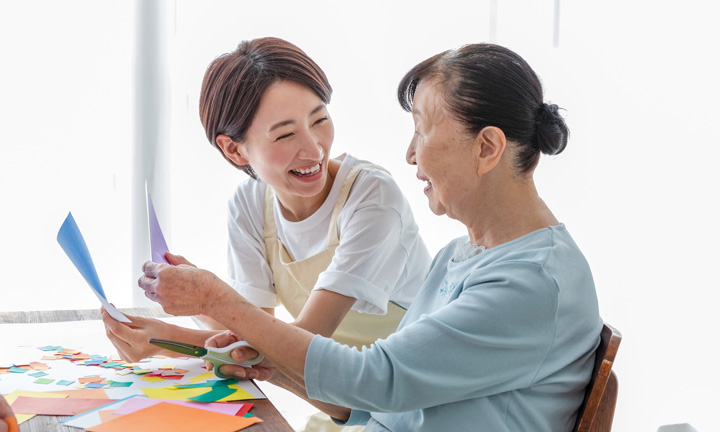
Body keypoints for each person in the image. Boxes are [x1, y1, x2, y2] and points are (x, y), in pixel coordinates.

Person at [137, 43, 602, 431]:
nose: (409, 153)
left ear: (486, 148)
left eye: (421, 130)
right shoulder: (459, 256)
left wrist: (214, 300)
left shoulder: (534, 283)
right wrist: (270, 369)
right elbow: (367, 402)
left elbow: (376, 380)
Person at [103, 37, 430, 431]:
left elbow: (301, 346)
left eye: (320, 119)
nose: (314, 149)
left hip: (411, 411)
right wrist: (203, 303)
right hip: (341, 408)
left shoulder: (372, 197)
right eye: (285, 134)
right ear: (235, 151)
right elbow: (256, 334)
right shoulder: (250, 205)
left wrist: (173, 333)